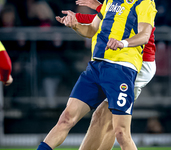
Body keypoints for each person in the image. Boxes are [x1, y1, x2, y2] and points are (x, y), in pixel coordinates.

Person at [37, 0, 157, 149]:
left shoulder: (144, 3)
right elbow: (95, 27)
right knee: (75, 118)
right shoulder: (110, 2)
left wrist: (123, 43)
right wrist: (75, 23)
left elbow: (143, 34)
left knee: (117, 129)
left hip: (126, 67)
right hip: (98, 66)